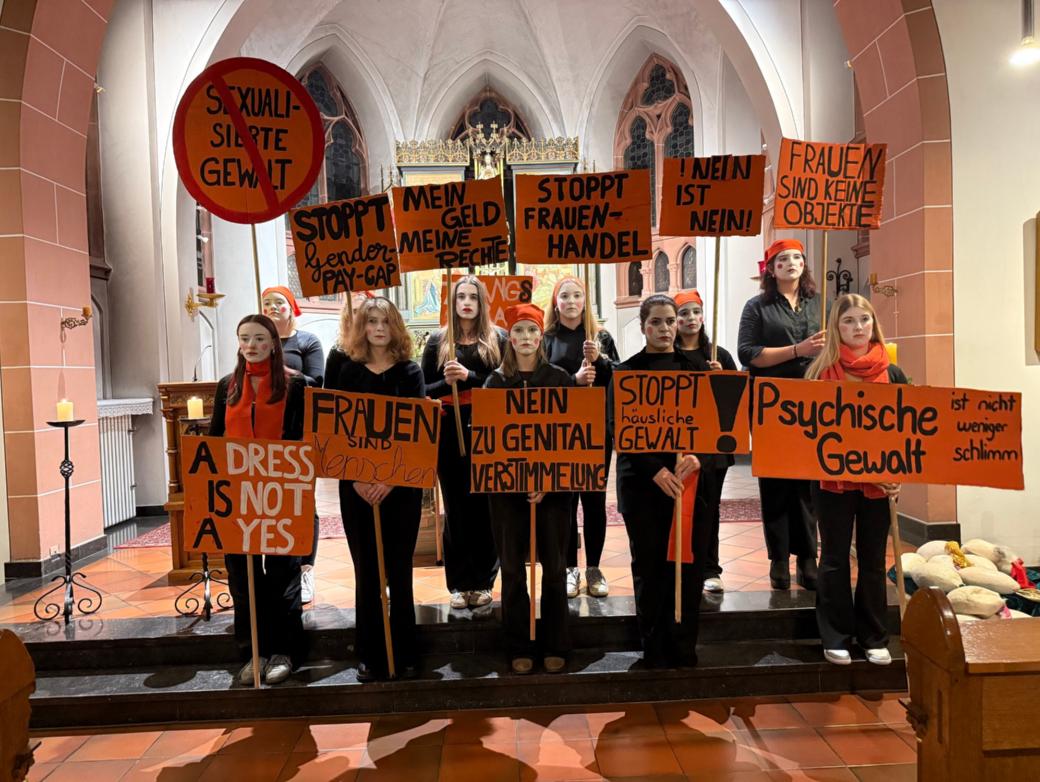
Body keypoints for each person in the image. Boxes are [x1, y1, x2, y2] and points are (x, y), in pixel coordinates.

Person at [611, 295, 717, 669]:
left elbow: (721, 429)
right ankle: (654, 647)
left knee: (689, 571)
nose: (665, 328)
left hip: (691, 486)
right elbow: (619, 431)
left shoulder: (701, 369)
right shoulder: (625, 373)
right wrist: (654, 469)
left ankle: (684, 646)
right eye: (656, 322)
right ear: (643, 327)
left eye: (670, 321)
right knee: (650, 569)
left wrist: (699, 457)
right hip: (644, 487)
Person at [324, 296, 425, 681]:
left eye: (385, 321)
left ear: (395, 326)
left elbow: (417, 433)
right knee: (367, 571)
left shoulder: (410, 372)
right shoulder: (345, 371)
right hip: (356, 487)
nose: (378, 328)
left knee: (399, 572)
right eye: (370, 322)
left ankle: (405, 651)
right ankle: (369, 653)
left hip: (400, 489)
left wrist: (390, 480)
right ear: (360, 328)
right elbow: (332, 429)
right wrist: (358, 479)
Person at [805, 294, 904, 666]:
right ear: (836, 327)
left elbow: (905, 431)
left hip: (878, 482)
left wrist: (899, 475)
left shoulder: (892, 373)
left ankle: (874, 636)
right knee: (833, 558)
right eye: (848, 321)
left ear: (873, 323)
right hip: (831, 481)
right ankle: (835, 635)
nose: (858, 327)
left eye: (864, 319)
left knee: (874, 558)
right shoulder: (819, 371)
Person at [209, 314, 306, 685]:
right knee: (243, 576)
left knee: (282, 573)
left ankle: (286, 651)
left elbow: (300, 440)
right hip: (238, 496)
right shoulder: (226, 387)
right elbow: (216, 440)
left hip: (280, 492)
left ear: (273, 344)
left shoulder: (295, 385)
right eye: (245, 338)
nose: (251, 345)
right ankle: (253, 650)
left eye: (260, 339)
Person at [485, 303, 574, 674]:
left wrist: (548, 481)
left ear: (541, 336)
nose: (525, 338)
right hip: (507, 493)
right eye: (518, 331)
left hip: (552, 492)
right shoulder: (494, 382)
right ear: (510, 337)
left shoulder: (560, 379)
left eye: (531, 331)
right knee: (512, 569)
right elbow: (489, 442)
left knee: (554, 567)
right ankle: (519, 644)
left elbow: (572, 437)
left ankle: (555, 642)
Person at [737, 239, 824, 591]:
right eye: (783, 259)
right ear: (770, 269)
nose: (791, 263)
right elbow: (748, 353)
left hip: (811, 406)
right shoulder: (757, 307)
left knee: (807, 483)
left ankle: (807, 558)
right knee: (775, 483)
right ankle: (778, 558)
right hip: (772, 405)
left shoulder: (820, 304)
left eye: (797, 258)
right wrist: (797, 350)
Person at [421, 275, 507, 609]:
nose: (466, 302)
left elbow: (504, 385)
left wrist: (469, 378)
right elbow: (422, 391)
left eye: (473, 296)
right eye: (460, 297)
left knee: (486, 507)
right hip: (447, 431)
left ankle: (484, 582)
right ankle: (459, 583)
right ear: (452, 302)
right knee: (456, 509)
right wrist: (446, 382)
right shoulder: (437, 341)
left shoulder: (497, 337)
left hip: (487, 431)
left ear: (482, 302)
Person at [541, 276, 619, 599]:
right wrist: (572, 380)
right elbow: (541, 380)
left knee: (594, 500)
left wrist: (599, 359)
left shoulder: (600, 336)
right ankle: (571, 567)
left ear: (585, 301)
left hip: (596, 429)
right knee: (566, 502)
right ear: (556, 303)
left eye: (577, 295)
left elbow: (619, 374)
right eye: (565, 296)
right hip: (561, 430)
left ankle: (594, 568)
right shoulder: (546, 338)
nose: (571, 301)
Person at [261, 286, 325, 604]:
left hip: (299, 430)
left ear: (292, 307)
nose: (273, 307)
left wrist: (283, 372)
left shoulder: (307, 341)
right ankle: (278, 571)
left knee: (304, 500)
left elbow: (318, 381)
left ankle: (305, 569)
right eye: (266, 303)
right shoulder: (261, 342)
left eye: (279, 302)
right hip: (265, 434)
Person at [674, 289, 737, 595]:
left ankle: (710, 567)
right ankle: (681, 564)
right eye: (683, 314)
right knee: (677, 508)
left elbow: (736, 402)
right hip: (677, 444)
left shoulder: (719, 356)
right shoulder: (667, 356)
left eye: (695, 312)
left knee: (709, 508)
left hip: (712, 449)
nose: (690, 319)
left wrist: (723, 377)